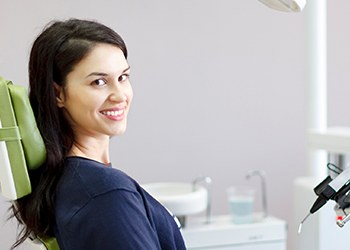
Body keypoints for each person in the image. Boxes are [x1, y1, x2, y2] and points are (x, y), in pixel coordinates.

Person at [11, 19, 186, 250]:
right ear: (58, 94)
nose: (119, 95)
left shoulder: (70, 181)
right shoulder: (106, 193)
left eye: (123, 77)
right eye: (99, 82)